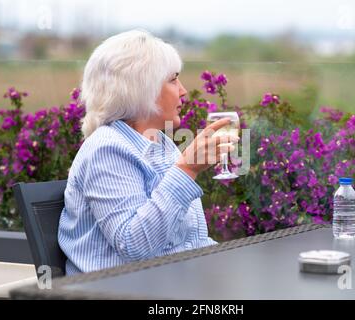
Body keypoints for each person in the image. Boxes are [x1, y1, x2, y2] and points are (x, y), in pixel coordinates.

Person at [58, 30, 238, 275]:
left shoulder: (161, 144)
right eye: (173, 80)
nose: (183, 91)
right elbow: (134, 246)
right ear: (143, 88)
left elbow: (190, 243)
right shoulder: (106, 149)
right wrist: (187, 169)